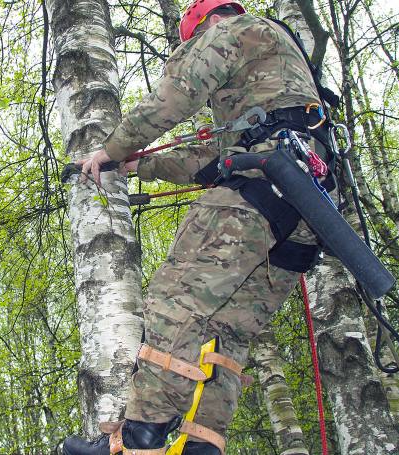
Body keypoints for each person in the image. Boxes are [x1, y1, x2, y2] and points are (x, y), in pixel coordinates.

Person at [65, 1, 333, 454]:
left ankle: (139, 435)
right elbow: (215, 161)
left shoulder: (233, 30)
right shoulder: (277, 73)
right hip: (305, 209)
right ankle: (201, 444)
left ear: (202, 27)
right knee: (225, 331)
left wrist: (110, 150)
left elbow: (176, 94)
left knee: (175, 300)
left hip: (262, 186)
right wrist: (142, 166)